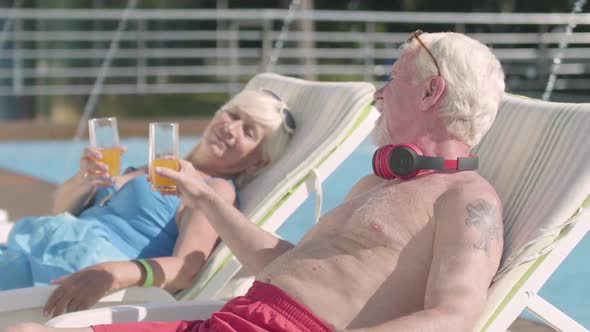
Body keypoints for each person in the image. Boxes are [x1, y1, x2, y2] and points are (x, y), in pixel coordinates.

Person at [2, 30, 505, 332]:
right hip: (230, 317)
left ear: (430, 92)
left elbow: (452, 318)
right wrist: (202, 195)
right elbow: (283, 264)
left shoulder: (467, 201)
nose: (379, 92)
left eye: (393, 80)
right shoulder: (378, 186)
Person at [0, 89, 294, 317]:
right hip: (38, 250)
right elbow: (60, 211)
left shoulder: (211, 189)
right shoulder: (156, 165)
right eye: (233, 115)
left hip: (74, 273)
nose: (231, 128)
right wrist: (83, 179)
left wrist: (111, 273)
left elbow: (186, 269)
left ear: (257, 163)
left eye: (248, 131)